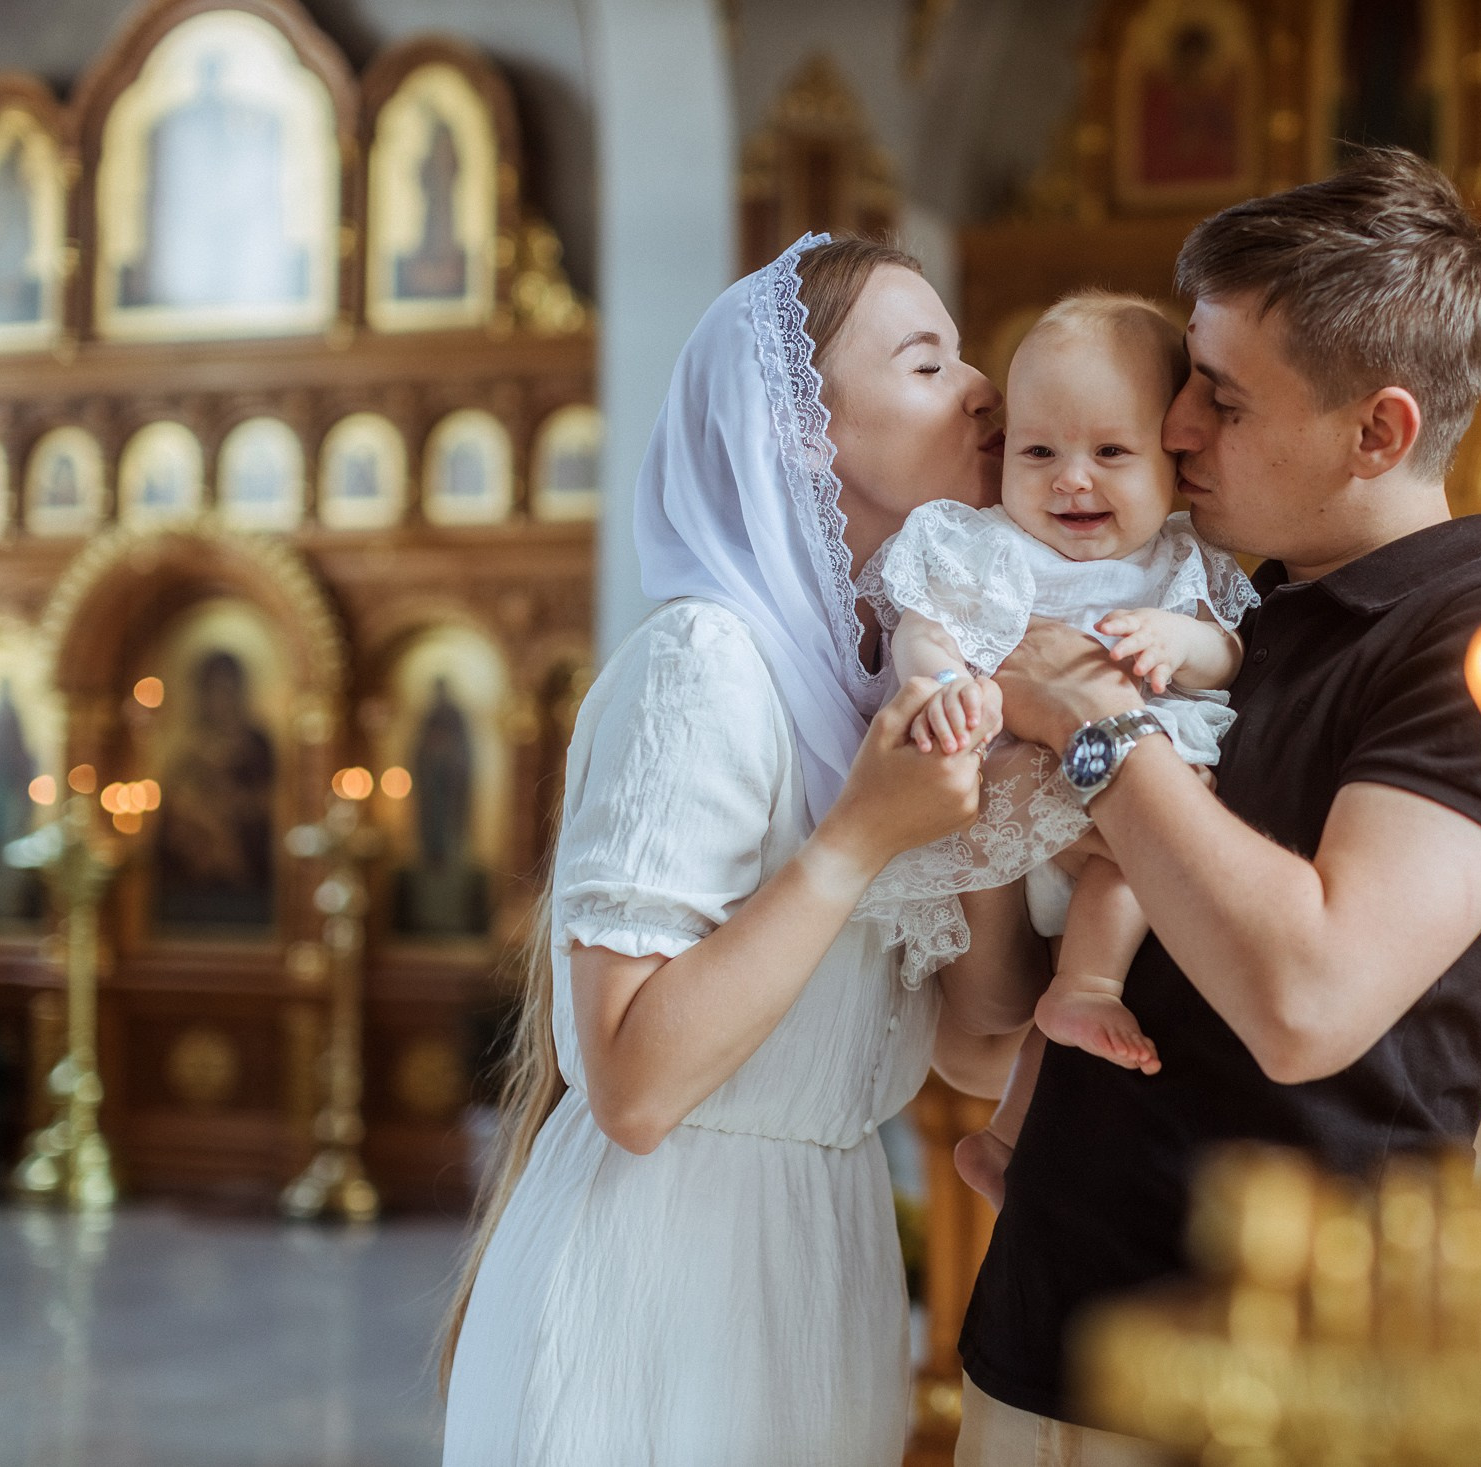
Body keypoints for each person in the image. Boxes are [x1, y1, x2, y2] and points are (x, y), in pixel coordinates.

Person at [955, 149, 1481, 1462]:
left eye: (1225, 398)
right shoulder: (1236, 615)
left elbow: (1308, 1001)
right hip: (1045, 1327)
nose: (1178, 423)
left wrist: (1085, 721)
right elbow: (988, 1028)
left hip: (1287, 1379)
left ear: (1382, 431)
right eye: (1189, 375)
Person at [439, 234, 1037, 1466]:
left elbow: (978, 1046)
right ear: (801, 436)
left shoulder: (876, 688)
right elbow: (635, 1084)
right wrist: (857, 839)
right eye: (929, 365)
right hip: (659, 1278)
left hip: (822, 1263)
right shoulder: (704, 664)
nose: (984, 387)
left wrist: (995, 801)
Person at [860, 291, 1257, 1202]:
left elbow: (1225, 647)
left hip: (1116, 833)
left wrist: (1176, 640)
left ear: (1174, 459)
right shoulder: (980, 544)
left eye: (1112, 453)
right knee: (1112, 879)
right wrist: (936, 680)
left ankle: (1018, 1116)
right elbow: (928, 628)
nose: (1071, 480)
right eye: (1039, 451)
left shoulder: (1184, 559)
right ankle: (1055, 1027)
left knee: (1132, 884)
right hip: (1003, 810)